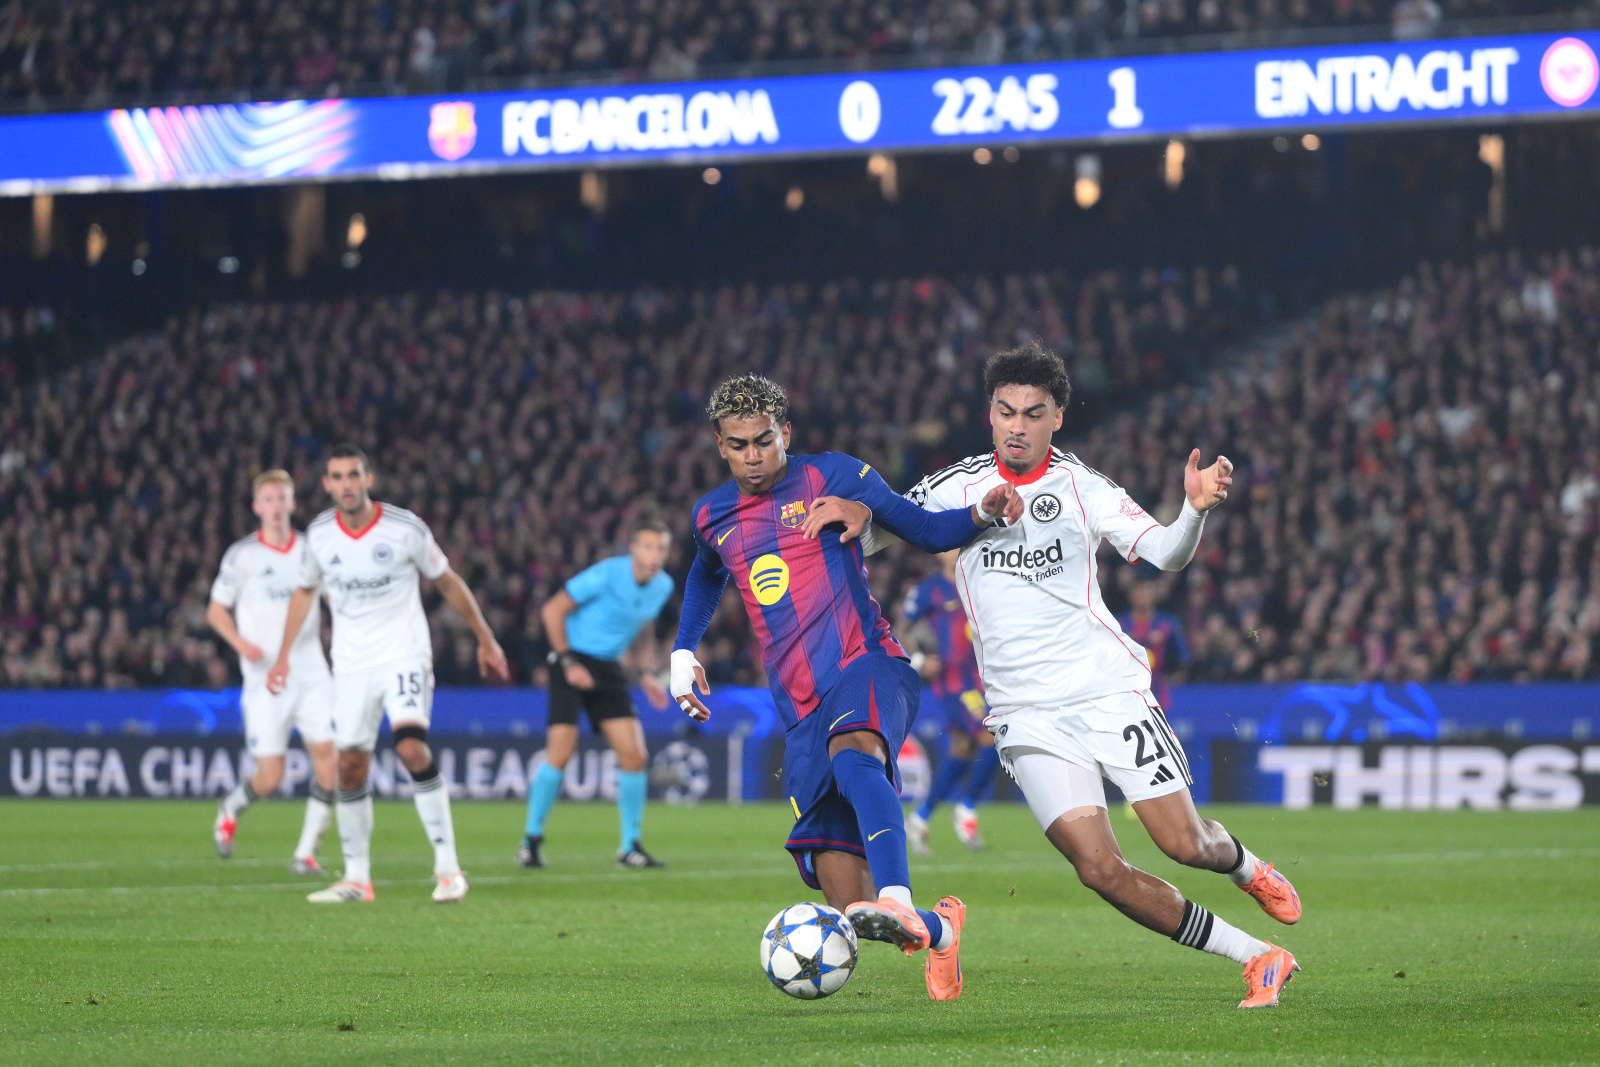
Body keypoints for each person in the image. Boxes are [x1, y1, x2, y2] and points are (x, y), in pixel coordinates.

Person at [811, 343, 1304, 1009]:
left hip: (1106, 691)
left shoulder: (1082, 486)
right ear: (990, 414)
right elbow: (886, 529)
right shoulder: (953, 485)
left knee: (1185, 843)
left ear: (1058, 418)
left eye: (1033, 413)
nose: (1016, 425)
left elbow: (1164, 553)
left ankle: (1247, 865)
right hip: (1024, 713)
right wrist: (855, 518)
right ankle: (1258, 957)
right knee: (1099, 868)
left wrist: (1193, 510)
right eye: (1005, 411)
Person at [669, 373, 1023, 1002]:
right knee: (856, 912)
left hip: (870, 665)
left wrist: (981, 513)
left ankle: (901, 894)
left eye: (764, 441)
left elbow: (927, 531)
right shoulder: (712, 515)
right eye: (738, 445)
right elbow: (704, 574)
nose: (753, 456)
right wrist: (681, 651)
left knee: (856, 753)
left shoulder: (834, 475)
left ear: (786, 435)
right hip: (800, 708)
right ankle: (940, 929)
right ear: (719, 446)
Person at [267, 445, 509, 904]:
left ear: (368, 478)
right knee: (350, 766)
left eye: (353, 475)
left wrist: (484, 637)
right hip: (352, 664)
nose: (346, 484)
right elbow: (303, 593)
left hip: (404, 654)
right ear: (326, 485)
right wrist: (282, 657)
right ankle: (357, 878)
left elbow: (447, 580)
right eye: (337, 477)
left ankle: (448, 870)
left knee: (411, 747)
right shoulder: (318, 536)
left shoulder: (404, 528)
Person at [519, 517, 675, 869]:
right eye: (648, 546)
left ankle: (629, 847)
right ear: (633, 548)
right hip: (570, 658)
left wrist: (647, 672)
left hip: (607, 668)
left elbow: (643, 624)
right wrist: (568, 662)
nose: (654, 554)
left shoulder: (662, 586)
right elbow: (552, 610)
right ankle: (530, 841)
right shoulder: (607, 573)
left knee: (634, 756)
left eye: (661, 548)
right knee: (560, 753)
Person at [206, 469, 337, 875]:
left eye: (283, 498)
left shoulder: (311, 549)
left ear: (293, 504)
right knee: (270, 777)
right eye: (269, 499)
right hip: (264, 678)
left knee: (329, 760)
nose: (277, 506)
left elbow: (336, 598)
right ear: (256, 507)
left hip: (312, 669)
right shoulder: (242, 555)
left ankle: (306, 853)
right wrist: (241, 644)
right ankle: (232, 806)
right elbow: (215, 610)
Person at [902, 550, 1000, 854]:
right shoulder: (929, 589)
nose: (955, 550)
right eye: (949, 547)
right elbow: (900, 629)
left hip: (980, 677)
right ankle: (967, 807)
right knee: (992, 735)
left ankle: (920, 818)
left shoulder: (979, 582)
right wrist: (918, 659)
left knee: (962, 748)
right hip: (955, 681)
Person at [1117, 577, 1191, 712]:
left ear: (1154, 595)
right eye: (1138, 592)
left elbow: (1183, 657)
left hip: (1159, 691)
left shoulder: (1167, 623)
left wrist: (1173, 679)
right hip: (1125, 691)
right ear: (1131, 596)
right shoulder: (1118, 624)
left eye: (1146, 592)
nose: (1142, 596)